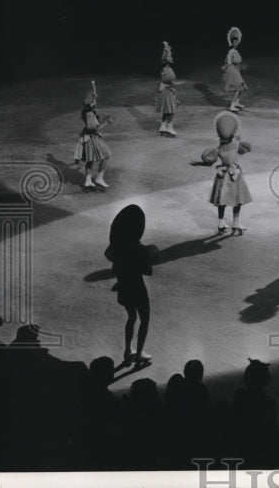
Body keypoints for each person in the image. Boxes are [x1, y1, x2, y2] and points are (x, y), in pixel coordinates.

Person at [104, 204, 158, 367]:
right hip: (138, 289)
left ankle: (128, 350)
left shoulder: (118, 248)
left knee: (131, 317)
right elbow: (147, 271)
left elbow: (109, 255)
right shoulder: (138, 249)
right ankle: (139, 353)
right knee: (144, 319)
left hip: (124, 288)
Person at [201, 111, 253, 235]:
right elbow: (246, 149)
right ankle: (236, 221)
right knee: (238, 198)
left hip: (222, 175)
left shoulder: (218, 149)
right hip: (235, 175)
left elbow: (208, 158)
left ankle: (221, 221)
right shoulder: (236, 145)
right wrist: (238, 138)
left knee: (222, 200)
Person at [74, 80, 113, 191]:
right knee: (106, 155)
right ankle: (99, 178)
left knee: (90, 160)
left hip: (87, 138)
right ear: (90, 103)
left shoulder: (86, 111)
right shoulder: (90, 114)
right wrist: (106, 122)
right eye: (93, 100)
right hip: (92, 139)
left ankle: (87, 182)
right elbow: (93, 129)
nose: (95, 101)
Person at [155, 41, 179, 137]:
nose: (171, 58)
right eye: (170, 57)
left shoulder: (163, 70)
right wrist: (176, 84)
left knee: (166, 111)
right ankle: (170, 128)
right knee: (172, 111)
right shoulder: (169, 70)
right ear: (168, 60)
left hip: (163, 92)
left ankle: (162, 127)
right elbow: (171, 81)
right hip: (167, 93)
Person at [222, 27, 247, 112]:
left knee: (240, 87)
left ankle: (236, 102)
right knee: (238, 87)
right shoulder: (231, 51)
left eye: (236, 42)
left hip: (236, 70)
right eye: (234, 42)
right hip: (232, 70)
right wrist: (226, 67)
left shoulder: (235, 51)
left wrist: (238, 67)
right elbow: (228, 62)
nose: (236, 43)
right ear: (231, 43)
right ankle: (232, 105)